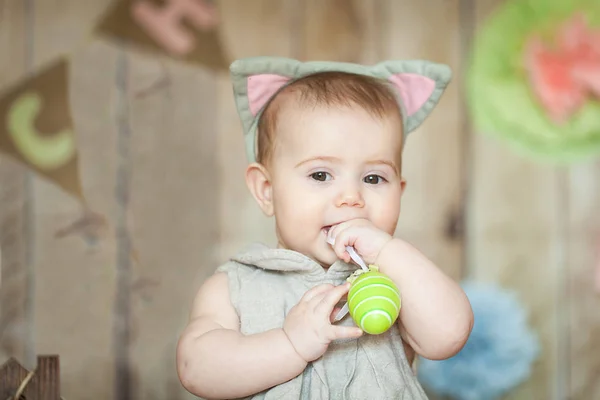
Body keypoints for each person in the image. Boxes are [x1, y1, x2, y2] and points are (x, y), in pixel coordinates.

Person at [176, 57, 474, 400]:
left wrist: (389, 252)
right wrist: (290, 345)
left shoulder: (397, 277)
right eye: (320, 175)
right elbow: (196, 370)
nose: (351, 197)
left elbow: (449, 336)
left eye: (374, 178)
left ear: (400, 192)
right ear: (267, 190)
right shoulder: (233, 287)